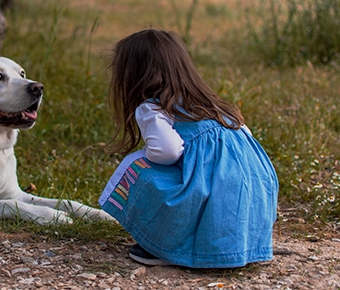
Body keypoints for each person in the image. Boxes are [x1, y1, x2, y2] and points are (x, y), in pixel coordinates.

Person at [98, 28, 279, 268]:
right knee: (212, 180)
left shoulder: (153, 108)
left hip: (212, 196)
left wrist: (148, 156)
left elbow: (168, 151)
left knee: (138, 166)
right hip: (253, 196)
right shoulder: (214, 106)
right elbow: (246, 143)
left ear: (134, 77)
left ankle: (166, 246)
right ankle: (237, 244)